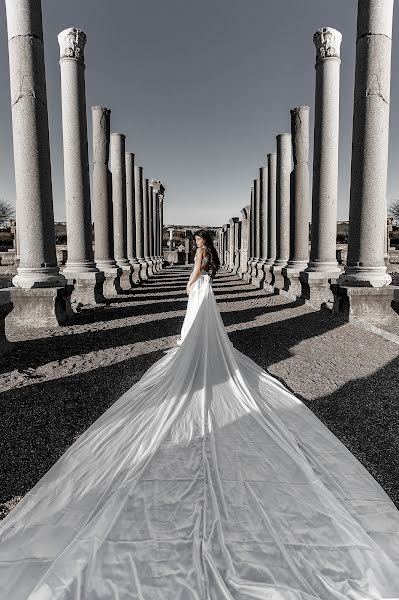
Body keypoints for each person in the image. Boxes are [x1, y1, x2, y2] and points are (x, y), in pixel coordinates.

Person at [1, 229, 399, 599]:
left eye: (194, 240)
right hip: (210, 293)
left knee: (194, 326)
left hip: (201, 291)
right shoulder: (214, 255)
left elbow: (193, 274)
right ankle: (197, 346)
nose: (193, 244)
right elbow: (204, 270)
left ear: (200, 241)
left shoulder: (199, 257)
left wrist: (189, 285)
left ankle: (191, 347)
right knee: (203, 327)